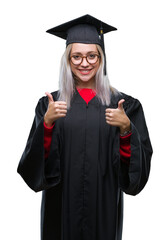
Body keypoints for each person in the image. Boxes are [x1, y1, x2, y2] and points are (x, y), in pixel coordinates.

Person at [17, 14, 153, 240]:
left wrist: (127, 130)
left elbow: (134, 175)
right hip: (59, 213)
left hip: (104, 211)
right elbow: (34, 168)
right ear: (67, 60)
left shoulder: (125, 106)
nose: (84, 63)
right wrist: (47, 124)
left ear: (102, 58)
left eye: (92, 56)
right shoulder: (51, 104)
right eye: (76, 57)